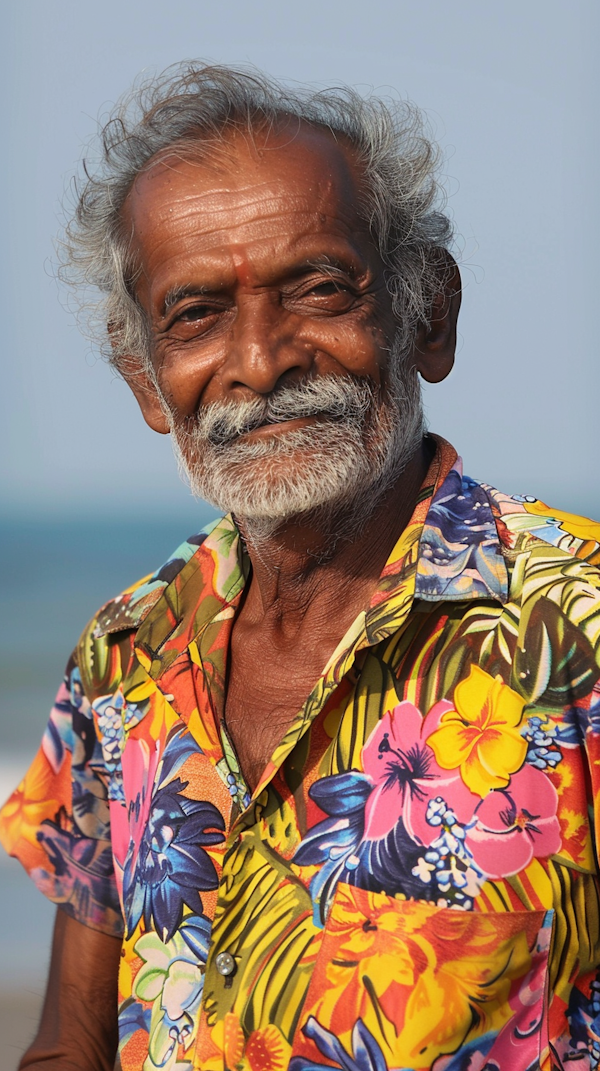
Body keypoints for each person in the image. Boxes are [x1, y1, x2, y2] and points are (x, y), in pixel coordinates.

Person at [2, 62, 600, 1071]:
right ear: (148, 379)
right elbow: (72, 1041)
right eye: (195, 314)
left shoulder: (576, 628)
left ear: (428, 318)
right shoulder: (123, 654)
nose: (262, 359)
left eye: (319, 289)